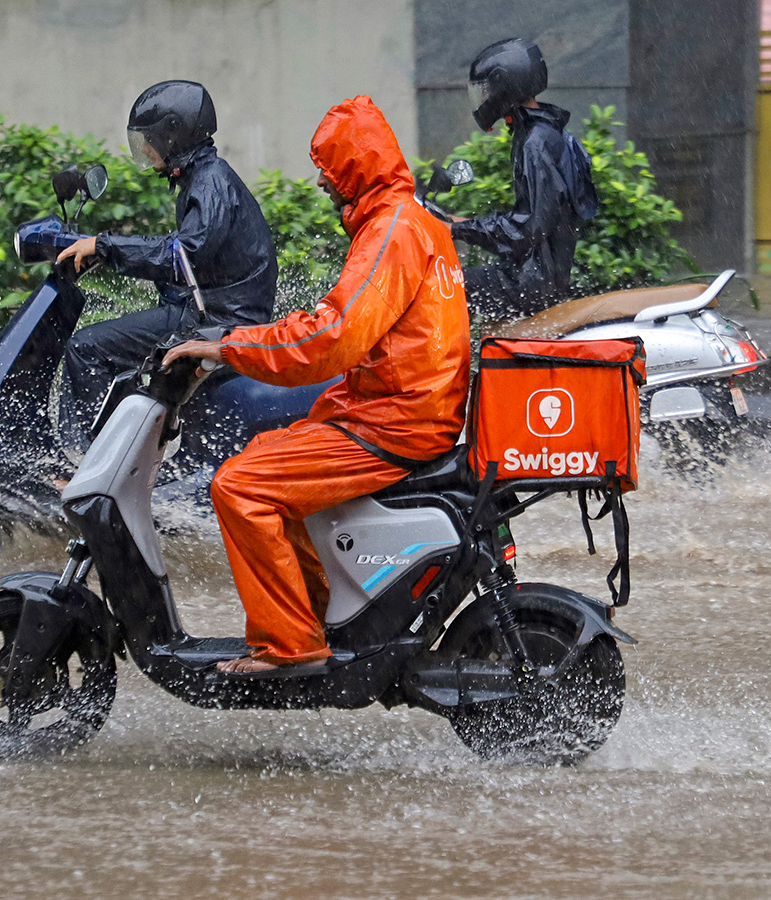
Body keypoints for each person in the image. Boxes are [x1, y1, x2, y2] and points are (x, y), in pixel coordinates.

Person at [162, 95, 470, 674]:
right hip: (404, 409)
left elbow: (333, 337)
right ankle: (323, 611)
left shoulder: (392, 232)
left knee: (239, 486)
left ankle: (289, 646)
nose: (326, 189)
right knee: (263, 453)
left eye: (331, 177)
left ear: (355, 172)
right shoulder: (415, 222)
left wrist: (229, 346)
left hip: (394, 421)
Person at [56, 80, 277, 429]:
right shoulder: (202, 177)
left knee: (87, 348)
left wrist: (105, 245)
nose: (144, 149)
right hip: (210, 310)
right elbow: (190, 254)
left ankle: (86, 464)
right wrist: (109, 253)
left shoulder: (210, 183)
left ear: (174, 133)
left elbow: (183, 255)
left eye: (148, 138)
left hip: (216, 320)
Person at [450, 38, 598, 320]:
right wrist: (460, 224)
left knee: (440, 286)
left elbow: (530, 228)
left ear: (504, 84)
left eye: (486, 90)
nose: (482, 98)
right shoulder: (542, 131)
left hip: (529, 285)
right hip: (537, 278)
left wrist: (459, 229)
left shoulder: (535, 142)